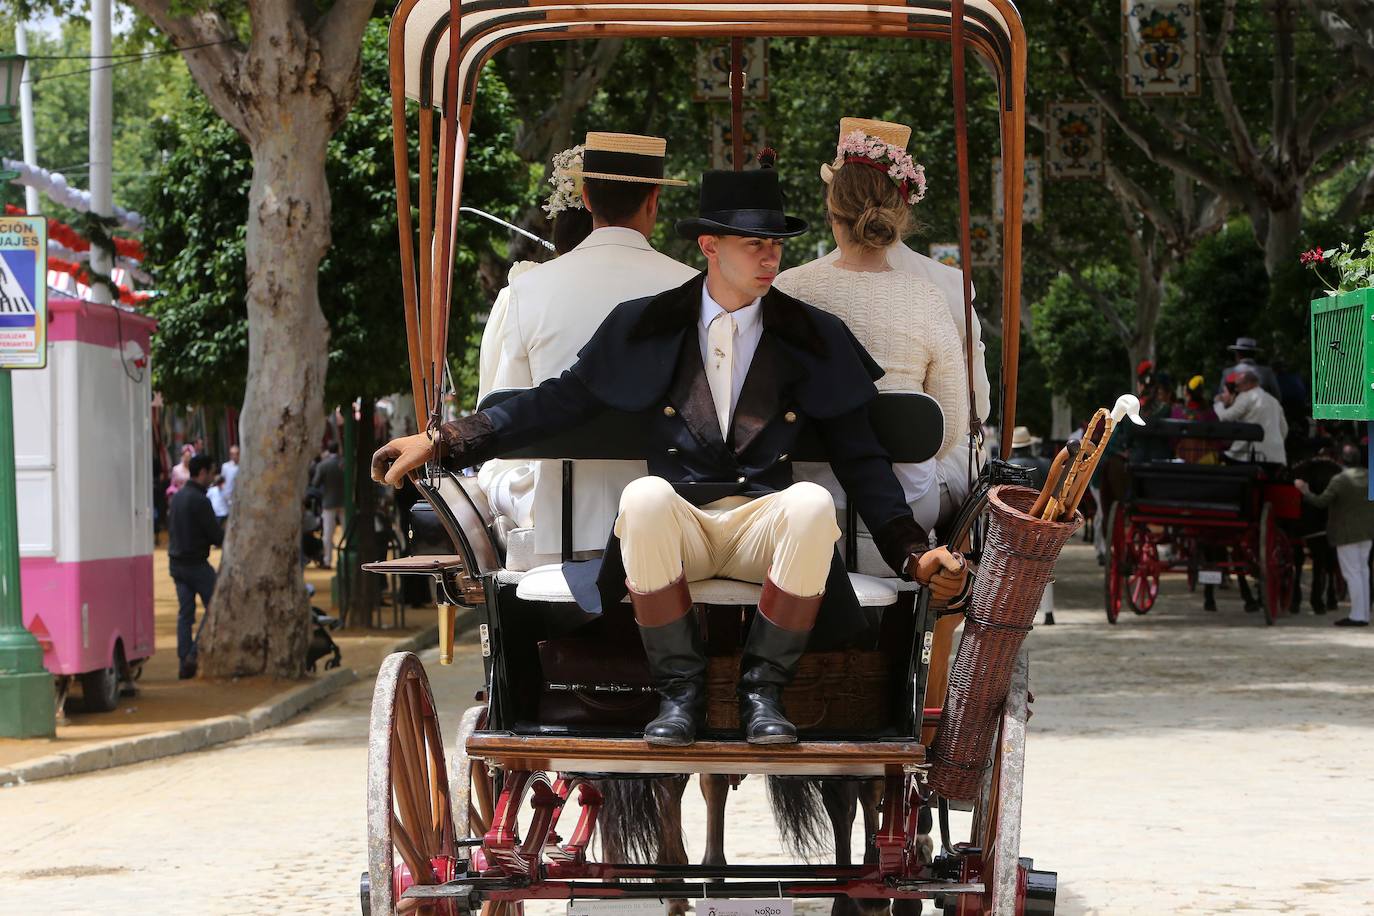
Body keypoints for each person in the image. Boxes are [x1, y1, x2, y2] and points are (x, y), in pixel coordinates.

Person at [373, 163, 969, 747]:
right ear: (710, 246)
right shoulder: (648, 324)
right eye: (754, 244)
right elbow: (554, 403)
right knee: (644, 497)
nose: (770, 258)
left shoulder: (812, 334)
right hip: (677, 530)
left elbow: (862, 459)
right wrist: (444, 440)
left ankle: (763, 694)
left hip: (762, 529)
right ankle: (679, 695)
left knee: (811, 503)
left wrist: (912, 552)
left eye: (777, 245)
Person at [476, 133, 698, 569]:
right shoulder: (696, 290)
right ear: (654, 200)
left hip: (563, 529)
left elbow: (506, 415)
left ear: (587, 197)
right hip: (671, 528)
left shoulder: (528, 291)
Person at [774, 117, 968, 535]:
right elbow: (949, 430)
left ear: (832, 213)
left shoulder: (786, 289)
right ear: (899, 217)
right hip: (905, 508)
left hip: (806, 505)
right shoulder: (928, 298)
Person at [1296, 444, 1374, 627]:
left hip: (1346, 534)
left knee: (1352, 573)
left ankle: (1357, 616)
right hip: (1367, 533)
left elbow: (1321, 502)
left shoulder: (1340, 480)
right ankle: (1363, 614)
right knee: (1363, 571)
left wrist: (1305, 491)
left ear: (1340, 460)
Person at [167, 454, 223, 678]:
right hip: (196, 564)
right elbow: (216, 536)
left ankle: (184, 660)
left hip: (176, 563)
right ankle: (193, 653)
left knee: (185, 613)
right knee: (216, 605)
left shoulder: (178, 497)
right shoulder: (200, 501)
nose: (213, 477)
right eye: (211, 472)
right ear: (202, 473)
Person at [1214, 367, 1288, 465]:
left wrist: (1218, 404)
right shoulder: (1274, 401)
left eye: (1238, 385)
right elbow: (1284, 429)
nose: (1236, 389)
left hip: (1254, 455)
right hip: (1277, 456)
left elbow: (1225, 417)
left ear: (1248, 384)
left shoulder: (1246, 396)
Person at [1170, 375, 1221, 464]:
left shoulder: (1177, 412)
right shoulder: (1210, 413)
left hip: (1183, 460)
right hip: (1205, 462)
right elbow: (1218, 442)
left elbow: (1172, 441)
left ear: (1186, 392)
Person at [312, 442, 345, 567]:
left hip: (328, 502)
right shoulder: (344, 463)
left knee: (328, 534)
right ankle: (345, 559)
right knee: (347, 531)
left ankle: (327, 560)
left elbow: (315, 483)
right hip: (344, 501)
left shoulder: (323, 465)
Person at [1216, 336, 1281, 400]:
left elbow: (1221, 397)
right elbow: (1277, 396)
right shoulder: (1267, 372)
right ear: (1255, 354)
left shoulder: (1228, 373)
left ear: (1237, 354)